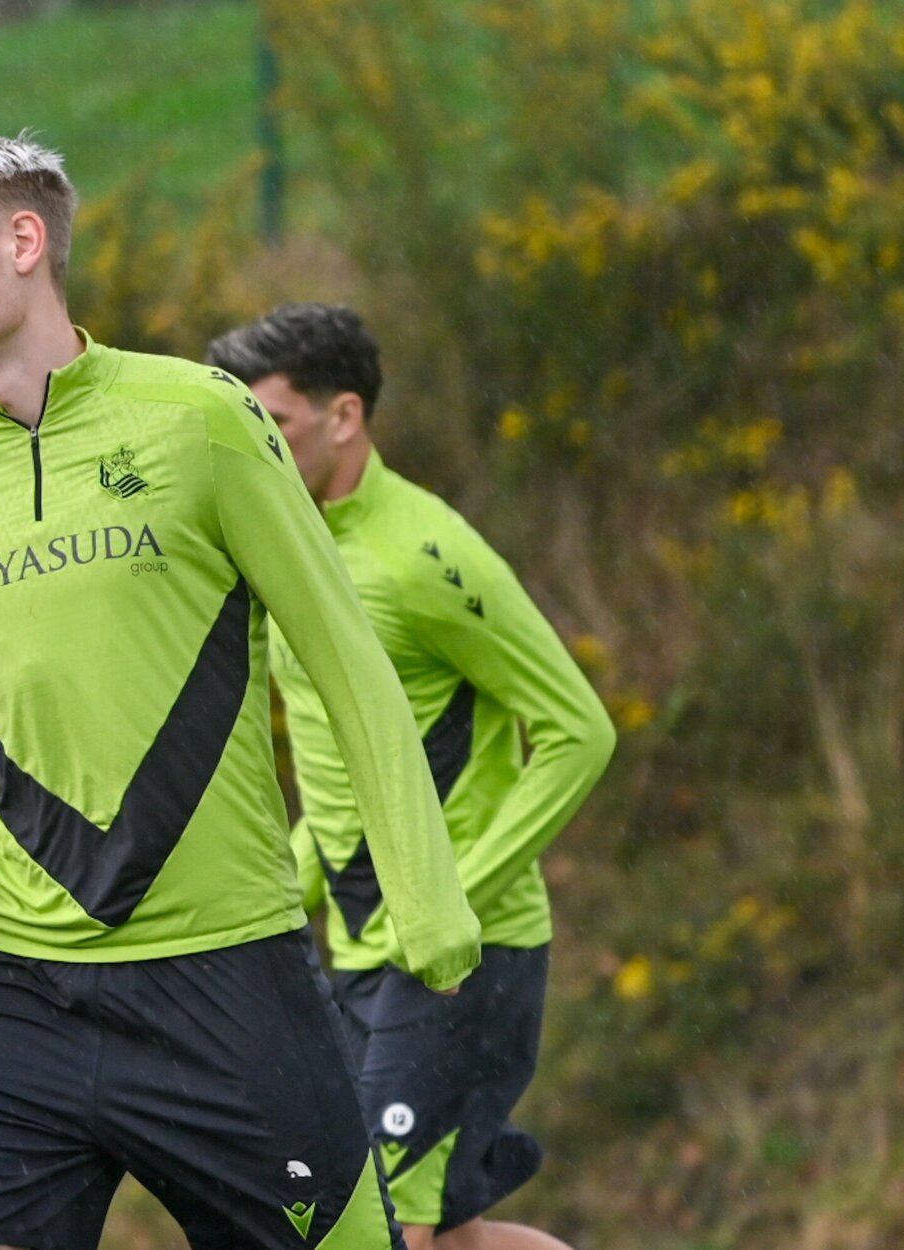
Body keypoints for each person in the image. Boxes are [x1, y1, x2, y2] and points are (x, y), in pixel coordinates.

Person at [0, 134, 481, 1250]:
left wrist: (422, 887)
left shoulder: (200, 420)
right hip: (23, 986)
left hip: (226, 982)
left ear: (22, 242)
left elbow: (347, 661)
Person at [207, 304, 618, 1250]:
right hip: (357, 955)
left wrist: (452, 902)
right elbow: (347, 788)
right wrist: (266, 900)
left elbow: (577, 731)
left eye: (274, 426)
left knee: (377, 1231)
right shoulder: (288, 551)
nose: (252, 449)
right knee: (448, 1235)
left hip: (454, 964)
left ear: (343, 417)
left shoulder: (425, 555)